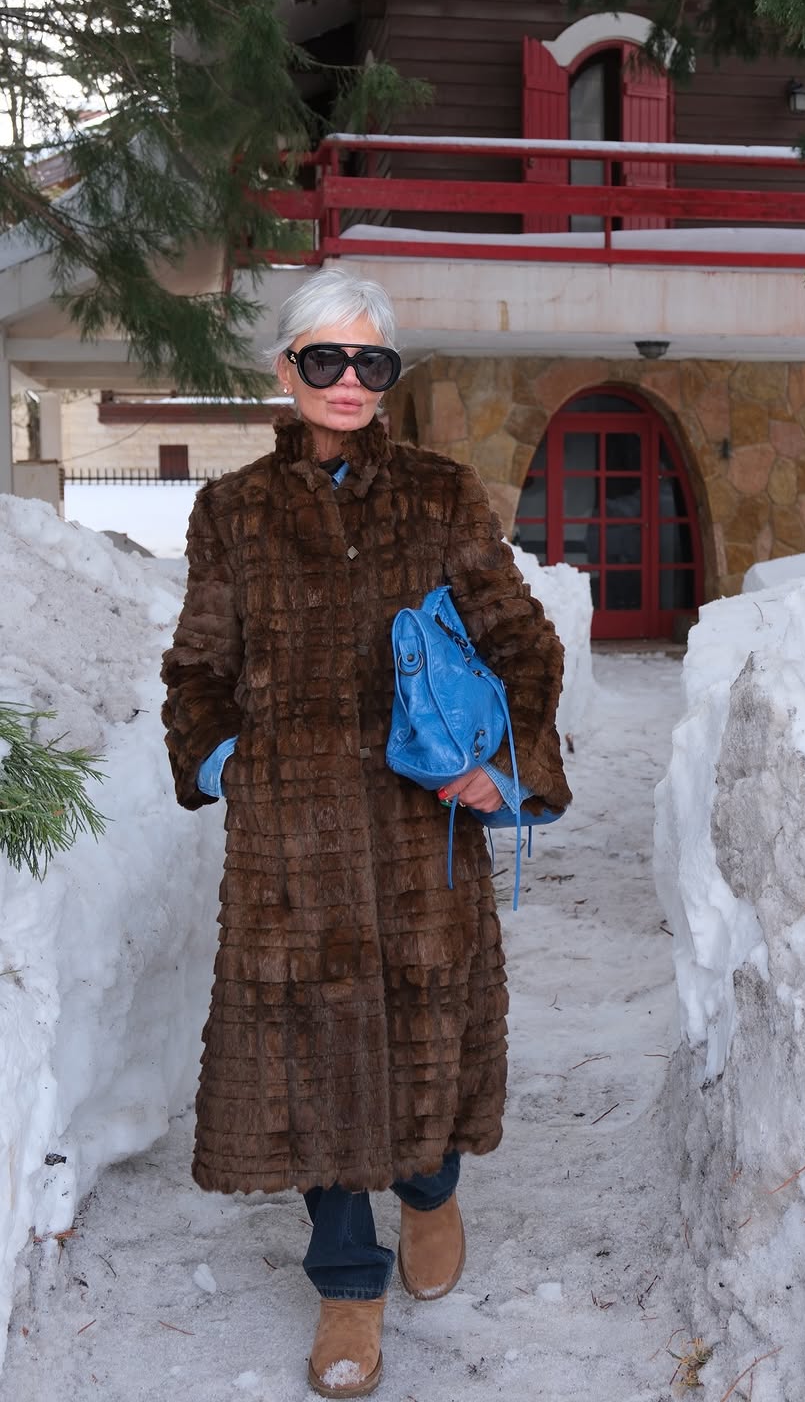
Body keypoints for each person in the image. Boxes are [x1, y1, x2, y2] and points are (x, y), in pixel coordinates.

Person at [161, 268, 571, 1398]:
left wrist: (509, 767)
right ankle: (348, 1281)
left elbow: (523, 641)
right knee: (309, 1059)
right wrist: (222, 758)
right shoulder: (232, 511)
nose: (347, 382)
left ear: (390, 379)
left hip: (415, 837)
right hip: (287, 851)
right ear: (285, 369)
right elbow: (198, 667)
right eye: (325, 360)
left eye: (370, 363)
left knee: (428, 1030)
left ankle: (432, 1192)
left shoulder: (442, 495)